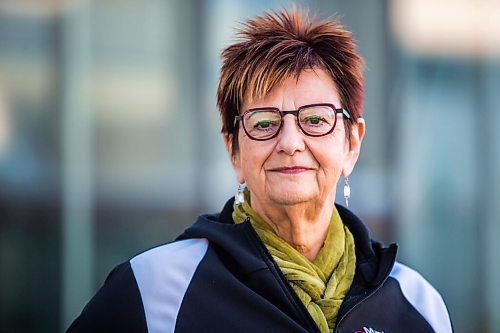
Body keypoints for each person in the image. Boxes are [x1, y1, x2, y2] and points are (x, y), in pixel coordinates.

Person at [67, 8, 453, 333]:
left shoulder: (417, 304)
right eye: (265, 122)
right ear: (233, 149)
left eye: (315, 120)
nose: (290, 142)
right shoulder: (155, 292)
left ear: (352, 143)